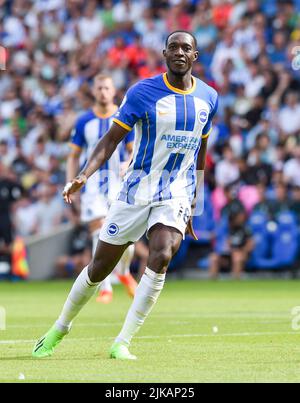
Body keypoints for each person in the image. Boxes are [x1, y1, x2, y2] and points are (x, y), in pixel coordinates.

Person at [32, 31, 218, 360]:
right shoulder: (142, 92)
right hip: (135, 190)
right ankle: (60, 326)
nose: (179, 52)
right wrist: (83, 176)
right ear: (164, 53)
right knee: (99, 268)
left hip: (175, 191)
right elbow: (109, 141)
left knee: (161, 254)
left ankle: (123, 341)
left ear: (195, 55)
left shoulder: (209, 97)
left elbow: (200, 151)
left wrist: (194, 200)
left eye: (185, 48)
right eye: (173, 47)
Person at [67, 73, 137, 303]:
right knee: (99, 229)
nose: (103, 92)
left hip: (120, 184)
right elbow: (74, 156)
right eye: (99, 88)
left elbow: (132, 149)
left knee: (126, 239)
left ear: (114, 90)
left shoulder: (124, 116)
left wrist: (129, 162)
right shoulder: (84, 121)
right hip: (93, 188)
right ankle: (105, 287)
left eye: (107, 88)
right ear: (94, 91)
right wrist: (72, 183)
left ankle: (124, 273)